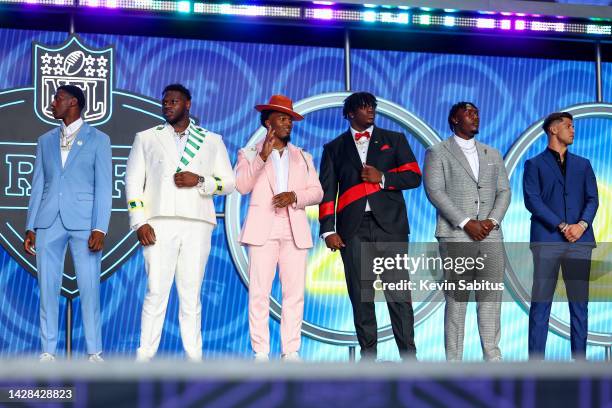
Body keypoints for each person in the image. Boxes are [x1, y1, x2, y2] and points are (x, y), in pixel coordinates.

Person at [125, 84, 235, 362]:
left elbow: (229, 182)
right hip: (158, 222)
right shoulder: (147, 137)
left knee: (191, 294)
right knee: (155, 291)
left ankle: (194, 358)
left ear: (188, 104)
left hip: (197, 222)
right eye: (165, 102)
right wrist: (139, 222)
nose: (168, 106)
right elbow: (133, 182)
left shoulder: (211, 139)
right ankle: (144, 357)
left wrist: (199, 181)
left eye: (174, 101)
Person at [319, 92, 421, 360]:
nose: (371, 111)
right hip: (352, 232)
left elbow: (414, 176)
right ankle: (368, 359)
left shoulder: (394, 140)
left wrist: (383, 177)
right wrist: (328, 229)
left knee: (398, 295)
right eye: (365, 108)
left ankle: (409, 357)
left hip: (391, 228)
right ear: (351, 113)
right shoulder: (334, 148)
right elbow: (327, 191)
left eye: (373, 107)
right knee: (361, 297)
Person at [24, 85, 112, 363]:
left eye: (58, 99)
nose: (53, 103)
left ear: (73, 102)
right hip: (48, 222)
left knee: (89, 287)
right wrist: (30, 226)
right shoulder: (44, 140)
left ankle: (94, 351)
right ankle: (48, 350)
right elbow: (38, 185)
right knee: (47, 287)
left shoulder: (99, 139)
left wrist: (100, 227)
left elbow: (104, 187)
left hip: (85, 223)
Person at [235, 95, 323, 362]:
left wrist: (294, 196)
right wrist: (262, 156)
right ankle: (261, 351)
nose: (288, 123)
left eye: (290, 119)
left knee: (293, 294)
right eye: (282, 118)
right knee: (259, 293)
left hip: (294, 228)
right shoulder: (248, 153)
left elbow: (317, 192)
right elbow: (241, 186)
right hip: (263, 229)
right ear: (267, 121)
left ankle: (290, 351)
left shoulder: (303, 156)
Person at [423, 101, 510, 361]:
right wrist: (465, 222)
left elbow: (504, 190)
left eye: (477, 112)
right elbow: (435, 191)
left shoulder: (492, 153)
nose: (475, 116)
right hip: (456, 235)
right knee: (457, 301)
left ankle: (493, 359)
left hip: (491, 236)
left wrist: (492, 221)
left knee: (491, 300)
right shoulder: (437, 152)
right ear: (454, 120)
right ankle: (454, 363)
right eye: (469, 113)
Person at [523, 111, 598, 360]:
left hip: (580, 242)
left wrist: (582, 225)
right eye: (568, 126)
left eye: (573, 126)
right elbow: (532, 201)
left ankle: (580, 365)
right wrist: (563, 226)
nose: (573, 130)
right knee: (541, 304)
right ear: (553, 130)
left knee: (580, 306)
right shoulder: (533, 164)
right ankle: (536, 367)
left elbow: (592, 199)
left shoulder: (584, 164)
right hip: (547, 240)